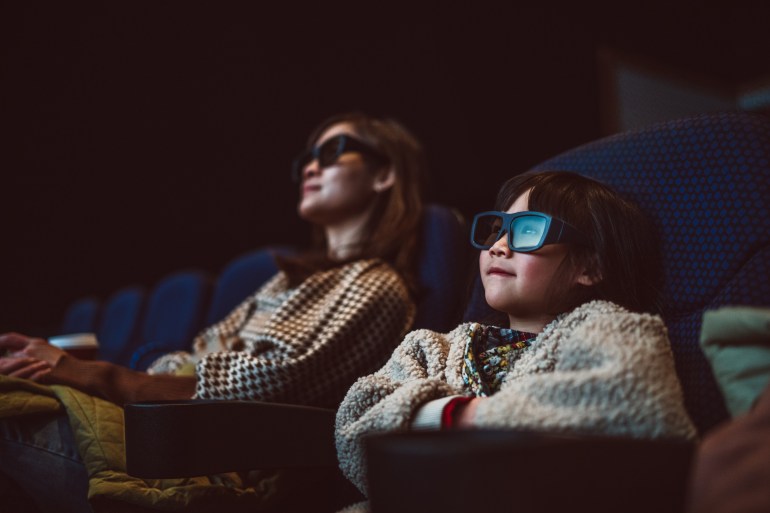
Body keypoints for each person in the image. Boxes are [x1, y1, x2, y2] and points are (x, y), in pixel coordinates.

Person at [0, 112, 427, 513]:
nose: (310, 168)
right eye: (306, 160)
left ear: (384, 174)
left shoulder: (377, 283)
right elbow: (198, 352)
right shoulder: (287, 281)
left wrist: (96, 375)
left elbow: (271, 382)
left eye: (332, 151)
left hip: (212, 461)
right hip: (175, 432)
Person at [334, 170, 698, 508]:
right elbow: (357, 419)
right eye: (496, 230)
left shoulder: (616, 329)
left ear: (590, 266)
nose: (498, 246)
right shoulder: (432, 347)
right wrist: (460, 417)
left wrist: (447, 419)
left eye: (527, 230)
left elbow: (630, 407)